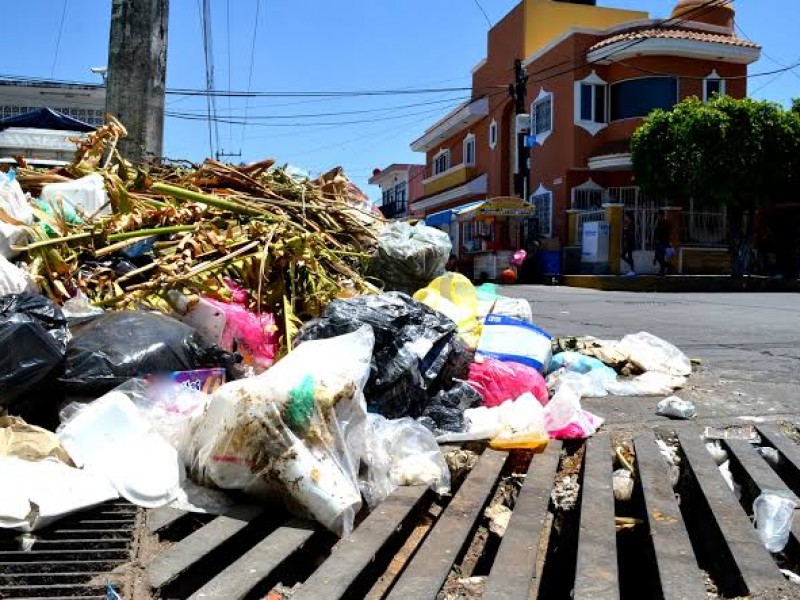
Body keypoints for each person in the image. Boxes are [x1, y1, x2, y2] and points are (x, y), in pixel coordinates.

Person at [653, 210, 672, 276]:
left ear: (662, 215)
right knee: (658, 257)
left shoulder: (666, 223)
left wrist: (661, 239)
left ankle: (663, 269)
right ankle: (667, 267)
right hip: (659, 242)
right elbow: (656, 231)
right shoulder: (658, 222)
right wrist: (655, 239)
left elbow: (667, 233)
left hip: (664, 242)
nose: (658, 216)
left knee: (661, 257)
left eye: (658, 215)